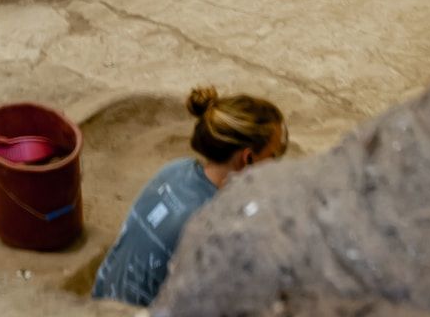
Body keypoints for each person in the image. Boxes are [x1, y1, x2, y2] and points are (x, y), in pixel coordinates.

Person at [91, 87, 288, 308]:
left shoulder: (175, 169)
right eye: (274, 155)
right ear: (248, 158)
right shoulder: (220, 222)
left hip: (101, 302)